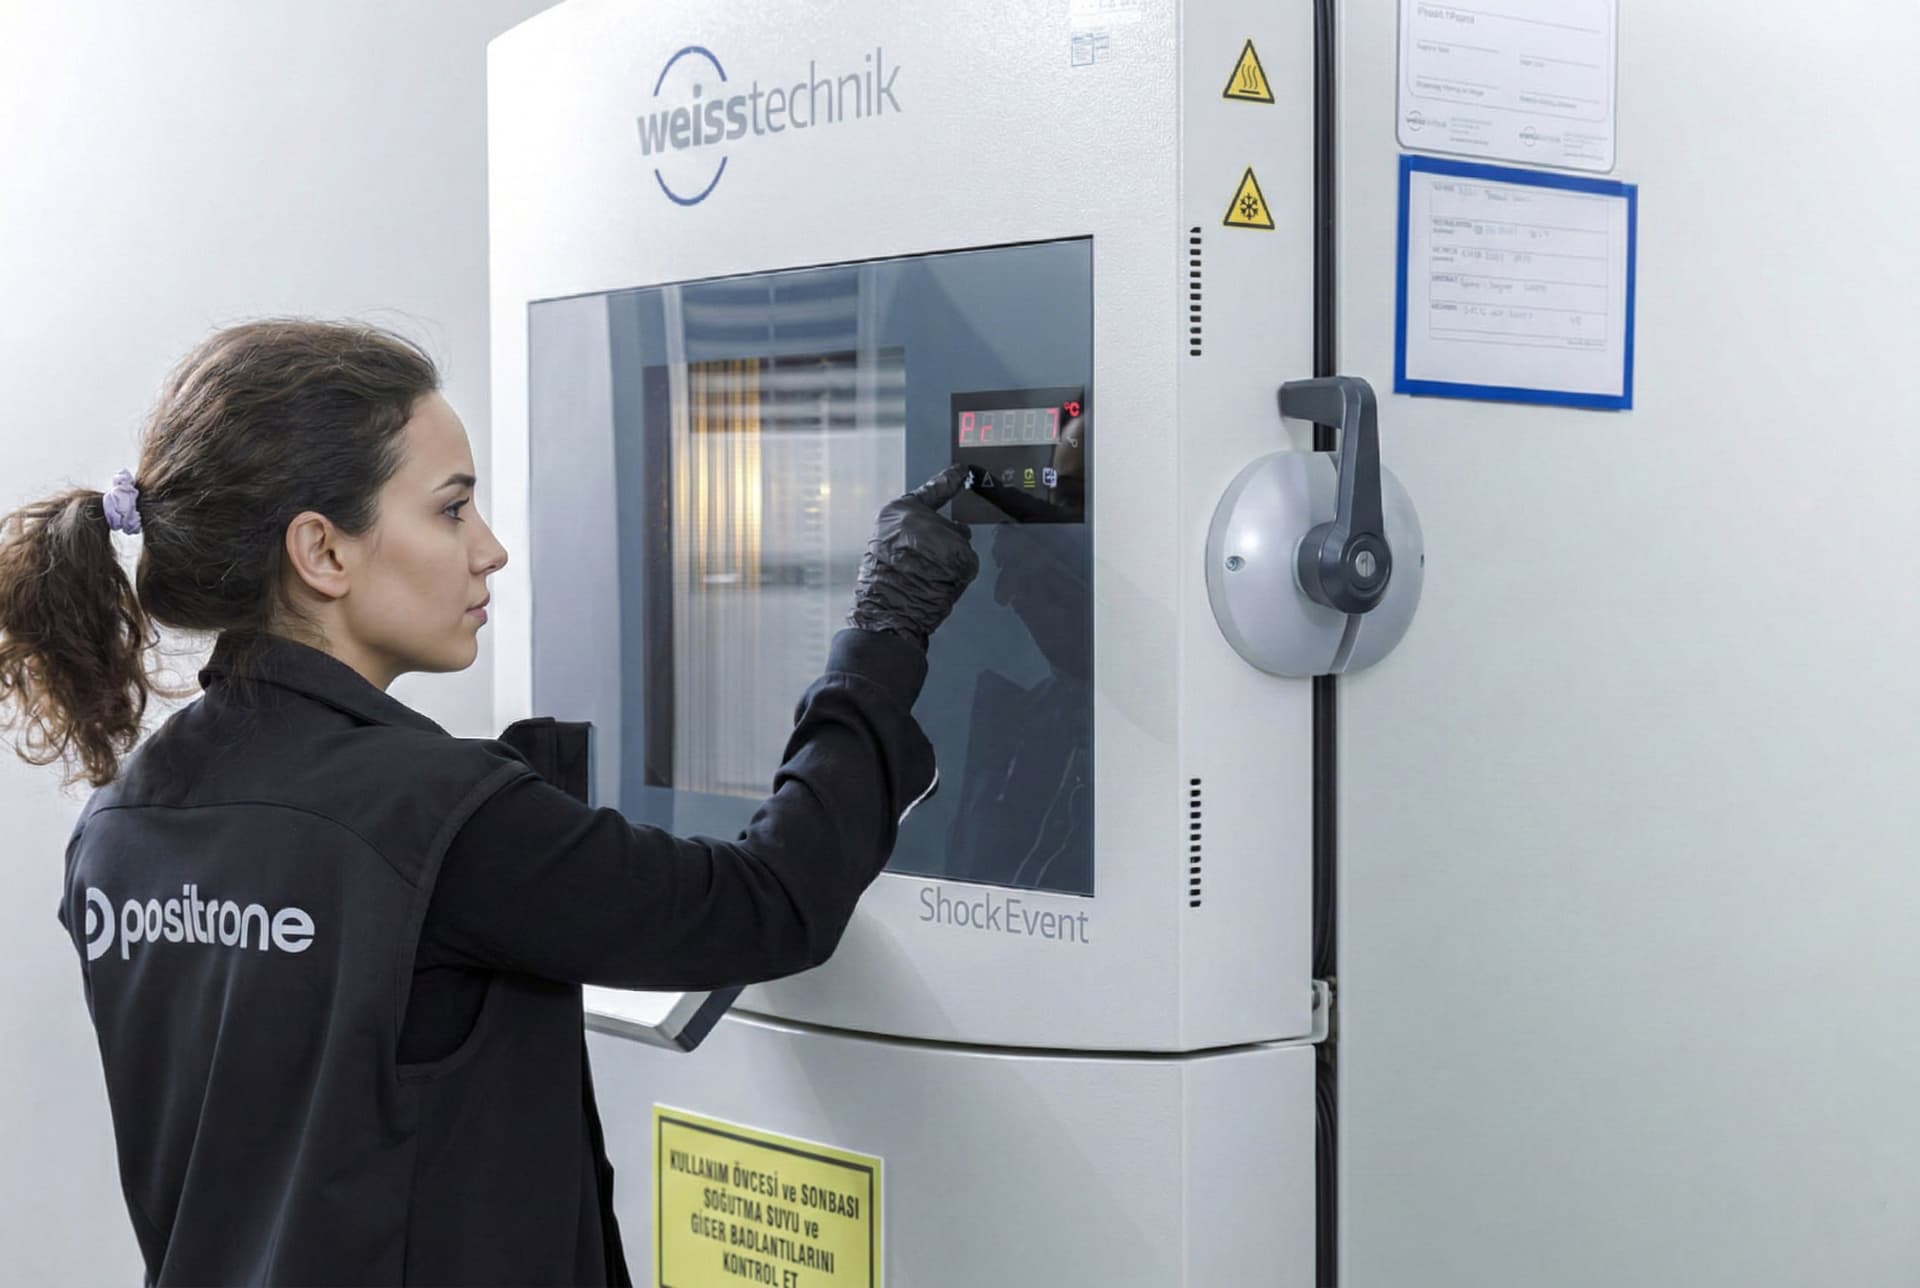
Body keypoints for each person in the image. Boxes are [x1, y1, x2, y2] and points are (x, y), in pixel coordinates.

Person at [0, 319, 979, 1286]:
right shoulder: (433, 819)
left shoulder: (120, 827)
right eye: (452, 509)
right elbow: (767, 906)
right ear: (322, 553)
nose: (492, 549)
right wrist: (885, 633)